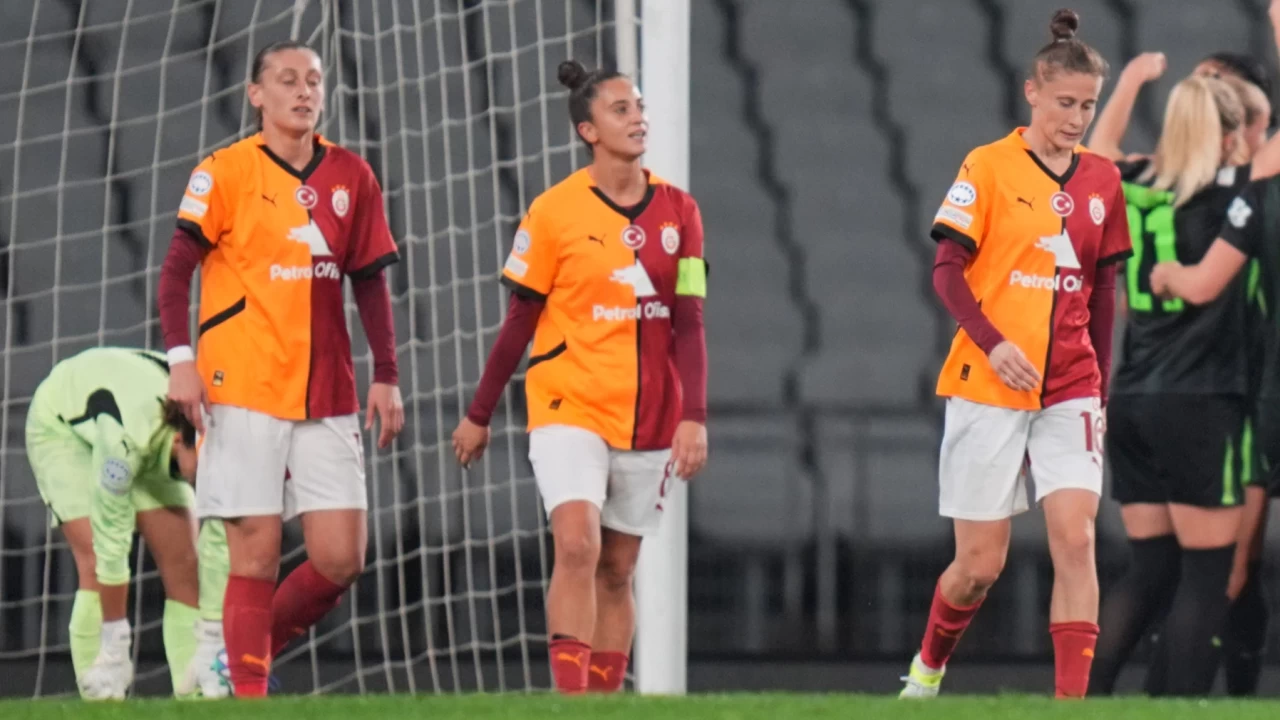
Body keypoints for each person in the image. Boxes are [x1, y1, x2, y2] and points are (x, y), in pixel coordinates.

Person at [450, 59, 708, 695]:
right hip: (568, 403)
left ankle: (602, 703)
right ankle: (569, 703)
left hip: (649, 414)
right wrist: (480, 413)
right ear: (588, 131)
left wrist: (694, 417)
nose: (638, 118)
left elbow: (689, 320)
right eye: (621, 109)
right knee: (576, 545)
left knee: (617, 571)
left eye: (638, 106)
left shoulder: (680, 212)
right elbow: (519, 322)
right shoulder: (553, 212)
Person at [158, 40, 406, 698]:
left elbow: (371, 281)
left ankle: (236, 653)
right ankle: (247, 693)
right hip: (241, 387)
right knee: (257, 555)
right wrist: (181, 361)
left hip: (328, 392)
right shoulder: (224, 172)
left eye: (314, 81)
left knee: (341, 557)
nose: (304, 91)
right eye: (288, 80)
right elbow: (175, 273)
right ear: (256, 95)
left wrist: (386, 373)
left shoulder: (352, 174)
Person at [898, 9, 1130, 700]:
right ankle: (926, 672)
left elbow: (1103, 289)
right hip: (990, 381)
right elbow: (947, 269)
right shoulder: (988, 165)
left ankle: (1070, 707)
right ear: (1032, 92)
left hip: (1071, 384)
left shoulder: (1102, 181)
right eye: (1065, 103)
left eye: (1087, 106)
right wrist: (993, 343)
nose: (1076, 119)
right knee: (978, 566)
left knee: (1077, 539)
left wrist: (1100, 388)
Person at [1086, 72, 1280, 697]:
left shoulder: (1136, 180)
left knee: (1148, 571)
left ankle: (1082, 700)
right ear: (1230, 135)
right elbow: (1204, 282)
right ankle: (1175, 707)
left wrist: (1131, 79)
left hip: (1133, 398)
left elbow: (1097, 151)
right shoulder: (1236, 192)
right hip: (1201, 401)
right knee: (1207, 576)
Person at [25, 347, 230, 700]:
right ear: (181, 440)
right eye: (207, 458)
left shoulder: (197, 428)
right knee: (95, 559)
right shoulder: (123, 443)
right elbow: (111, 539)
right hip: (63, 429)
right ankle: (103, 689)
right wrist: (116, 638)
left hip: (148, 427)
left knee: (185, 565)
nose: (214, 469)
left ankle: (197, 696)